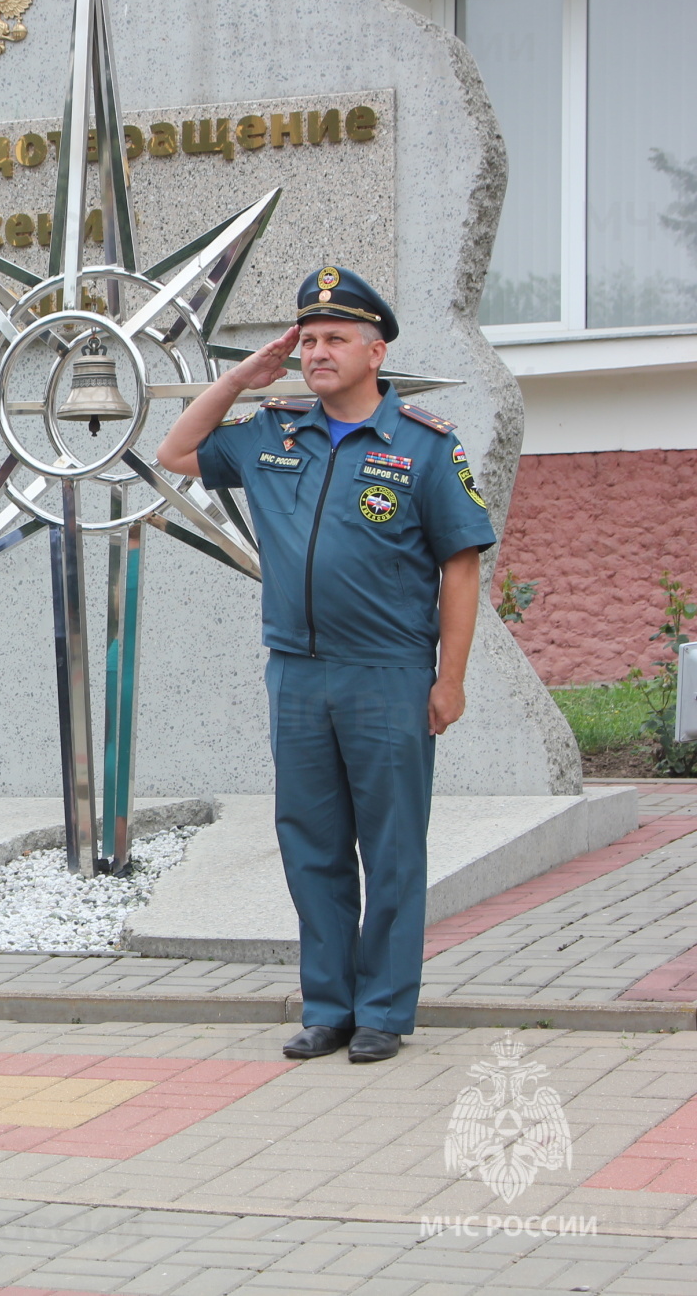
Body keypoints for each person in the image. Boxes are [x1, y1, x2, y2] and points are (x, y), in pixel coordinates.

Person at [156, 266, 496, 1064]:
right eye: (306, 339)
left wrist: (450, 677)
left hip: (388, 674)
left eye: (334, 338)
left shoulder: (423, 444)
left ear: (375, 351)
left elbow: (462, 566)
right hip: (298, 674)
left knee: (391, 847)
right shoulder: (275, 431)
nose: (315, 351)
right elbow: (177, 451)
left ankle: (382, 1009)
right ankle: (329, 1006)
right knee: (310, 843)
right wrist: (244, 374)